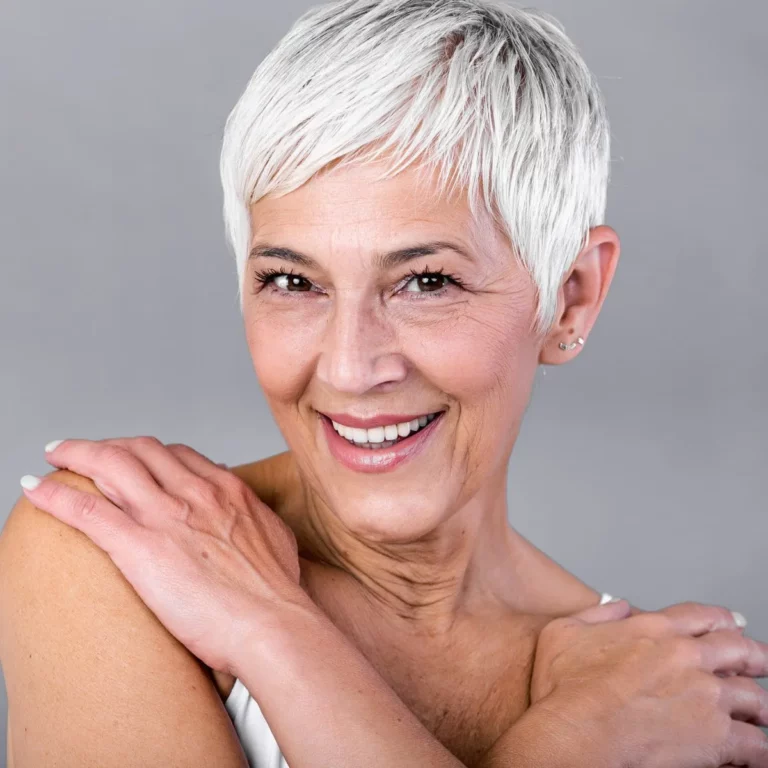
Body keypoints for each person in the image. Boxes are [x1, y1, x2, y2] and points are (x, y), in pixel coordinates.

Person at [2, 0, 766, 766]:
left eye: (426, 281)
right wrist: (569, 747)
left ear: (571, 298)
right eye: (293, 281)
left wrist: (269, 631)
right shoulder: (121, 553)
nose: (349, 368)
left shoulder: (669, 689)